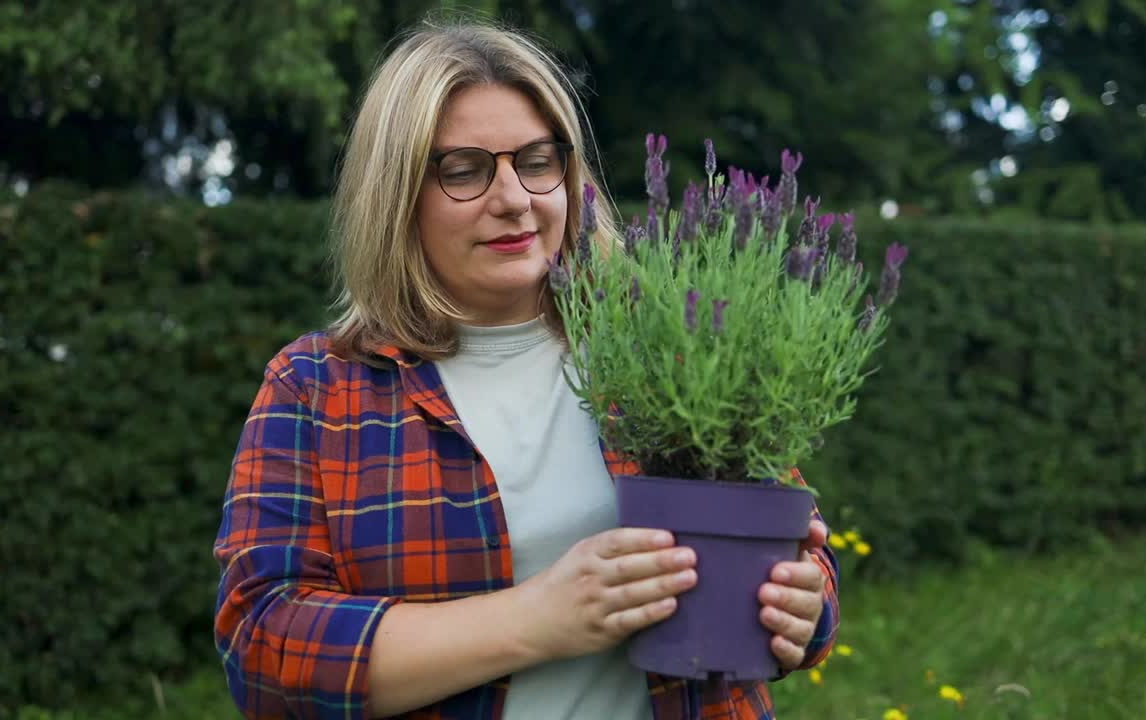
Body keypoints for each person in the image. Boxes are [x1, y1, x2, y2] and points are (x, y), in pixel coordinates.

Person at [213, 15, 839, 720]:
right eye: (464, 171)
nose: (514, 199)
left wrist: (803, 605)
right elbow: (264, 651)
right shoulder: (318, 389)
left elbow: (790, 549)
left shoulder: (673, 349)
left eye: (537, 162)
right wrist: (536, 619)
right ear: (395, 197)